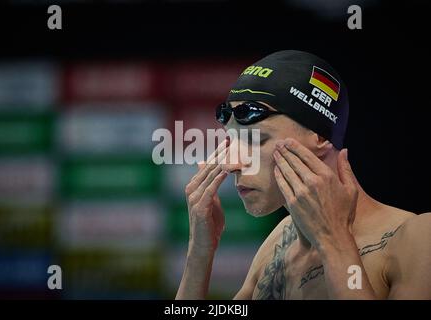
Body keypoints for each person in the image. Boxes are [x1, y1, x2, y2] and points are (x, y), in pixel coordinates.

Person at [175, 50, 431, 299]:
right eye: (232, 141)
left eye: (256, 140)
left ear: (320, 136)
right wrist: (199, 255)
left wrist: (333, 240)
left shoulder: (416, 237)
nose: (231, 163)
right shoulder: (278, 247)